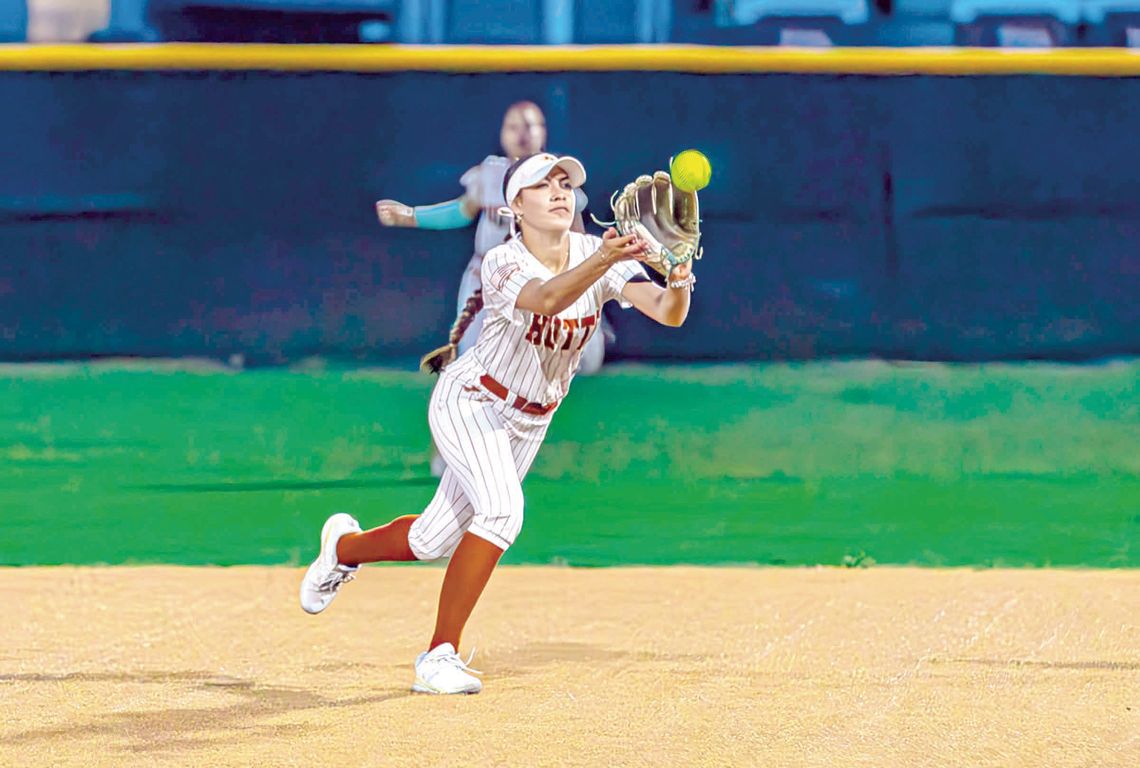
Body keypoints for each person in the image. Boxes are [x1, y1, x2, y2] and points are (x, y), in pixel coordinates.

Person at [300, 152, 696, 695]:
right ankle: (438, 656)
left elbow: (668, 312)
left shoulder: (594, 253)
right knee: (503, 512)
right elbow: (549, 299)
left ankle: (341, 549)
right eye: (543, 184)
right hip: (472, 401)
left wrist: (678, 269)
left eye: (566, 183)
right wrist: (605, 260)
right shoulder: (504, 261)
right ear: (516, 206)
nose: (559, 191)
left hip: (530, 421)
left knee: (430, 538)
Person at [375, 101, 610, 476]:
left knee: (522, 377)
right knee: (462, 370)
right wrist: (411, 215)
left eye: (532, 125)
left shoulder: (558, 178)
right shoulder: (490, 173)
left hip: (535, 288)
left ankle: (496, 453)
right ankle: (447, 453)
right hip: (485, 286)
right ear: (502, 134)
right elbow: (461, 211)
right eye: (514, 125)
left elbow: (577, 242)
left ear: (544, 132)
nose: (523, 132)